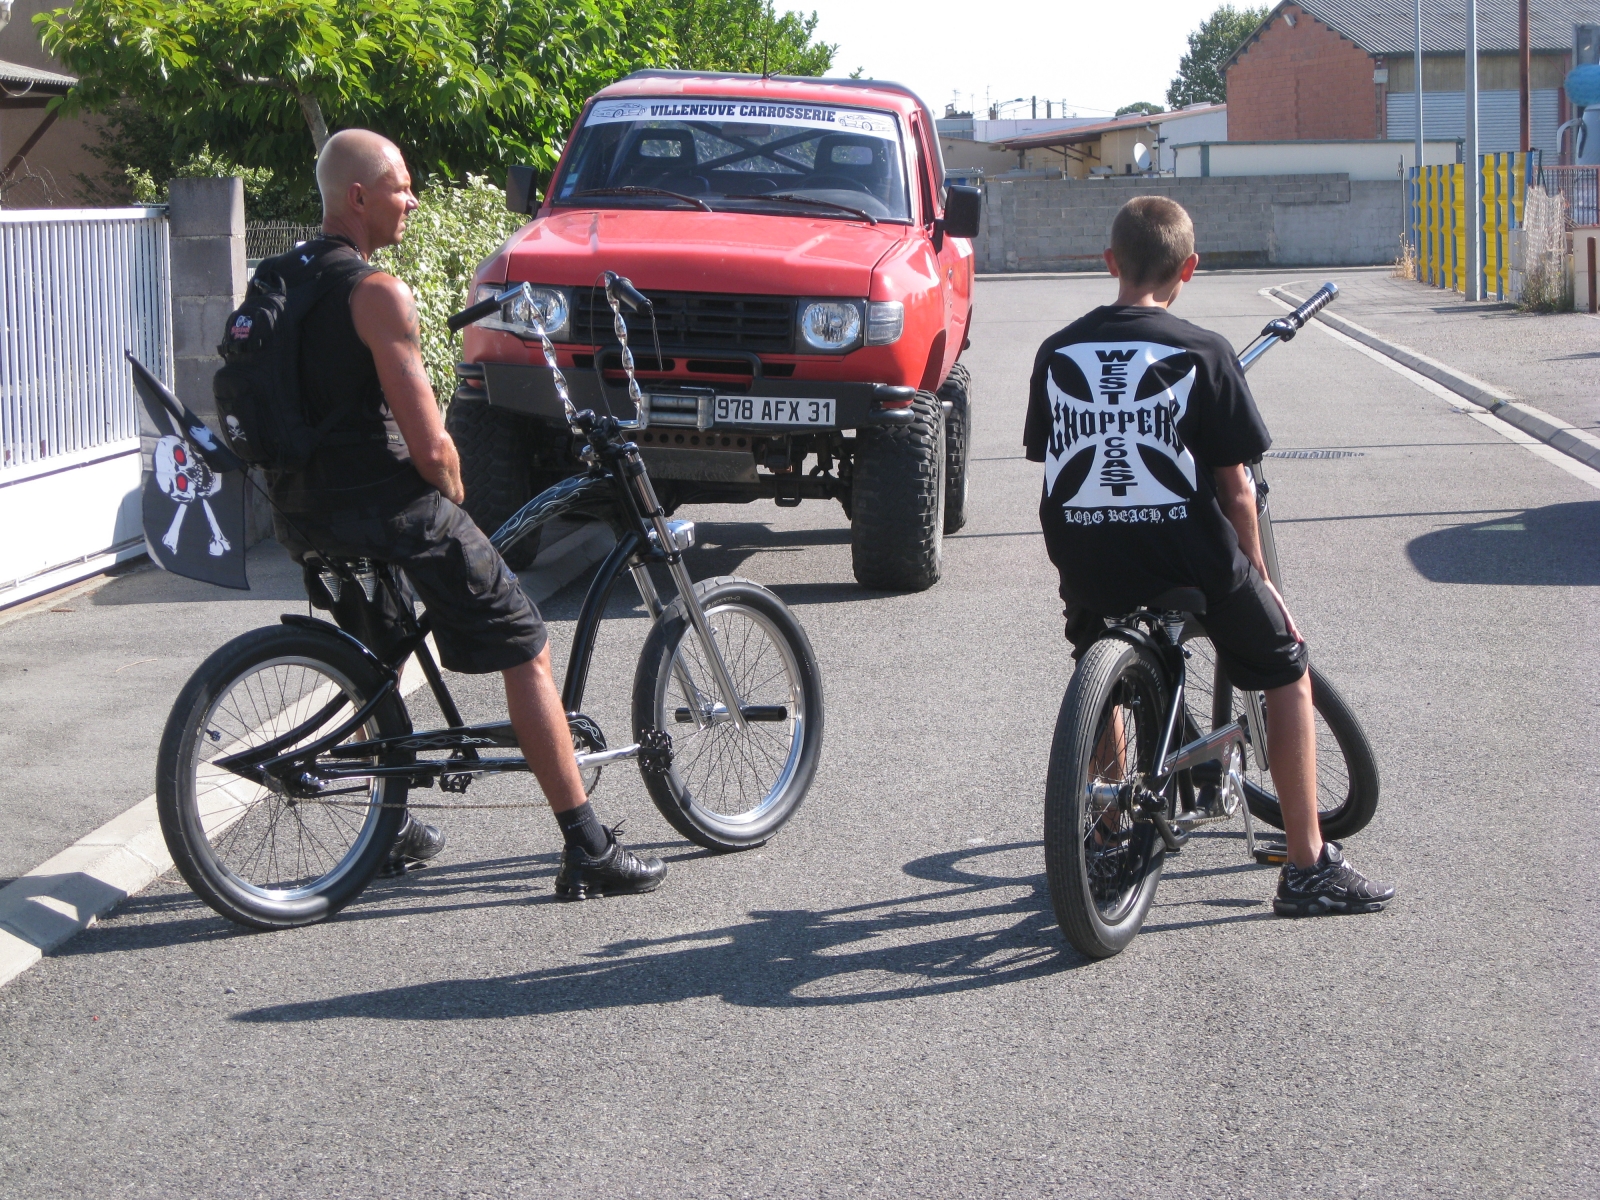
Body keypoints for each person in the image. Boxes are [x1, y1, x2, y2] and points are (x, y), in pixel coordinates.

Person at [265, 128, 666, 900]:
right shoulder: (376, 293)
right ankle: (587, 846)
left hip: (301, 510)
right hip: (385, 510)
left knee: (377, 661)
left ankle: (387, 825)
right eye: (402, 186)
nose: (413, 200)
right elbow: (432, 449)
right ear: (359, 197)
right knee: (526, 645)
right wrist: (456, 499)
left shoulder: (282, 279)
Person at [1022, 195, 1392, 918]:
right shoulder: (1204, 351)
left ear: (1111, 261)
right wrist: (1260, 579)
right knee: (1285, 665)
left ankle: (1107, 837)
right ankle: (1308, 865)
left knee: (1098, 649)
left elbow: (1055, 457)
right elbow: (1236, 489)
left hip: (1084, 549)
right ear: (1189, 267)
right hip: (1185, 553)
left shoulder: (1056, 351)